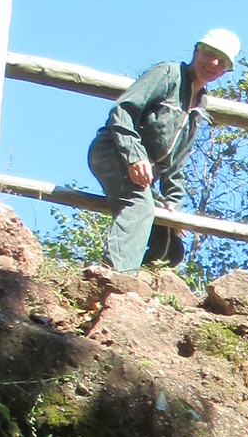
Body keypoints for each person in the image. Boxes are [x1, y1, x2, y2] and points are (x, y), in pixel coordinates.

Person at [87, 31, 240, 274]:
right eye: (209, 53)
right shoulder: (168, 74)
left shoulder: (199, 105)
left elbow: (176, 163)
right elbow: (123, 111)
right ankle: (113, 279)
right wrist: (135, 156)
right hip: (113, 152)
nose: (213, 63)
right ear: (196, 51)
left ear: (225, 71)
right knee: (139, 206)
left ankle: (143, 283)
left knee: (169, 244)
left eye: (221, 61)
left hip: (144, 175)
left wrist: (172, 203)